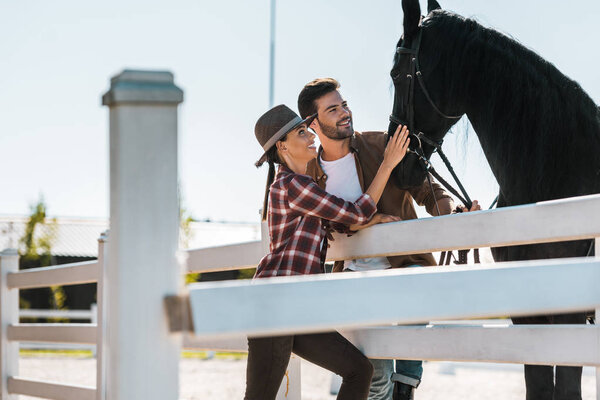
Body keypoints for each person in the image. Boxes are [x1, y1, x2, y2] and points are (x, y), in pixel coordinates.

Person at [298, 78, 481, 400]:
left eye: (344, 105)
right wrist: (363, 223)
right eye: (333, 109)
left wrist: (453, 212)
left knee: (415, 298)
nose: (344, 113)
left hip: (404, 265)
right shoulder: (310, 173)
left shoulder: (381, 144)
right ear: (313, 123)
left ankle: (408, 384)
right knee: (375, 377)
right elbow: (321, 224)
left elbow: (427, 189)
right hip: (353, 278)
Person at [245, 104, 411, 400]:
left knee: (359, 369)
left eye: (307, 129)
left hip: (297, 308)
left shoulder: (303, 187)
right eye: (300, 132)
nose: (310, 135)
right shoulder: (292, 185)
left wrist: (362, 221)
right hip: (274, 304)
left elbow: (343, 220)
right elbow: (355, 213)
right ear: (283, 146)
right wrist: (387, 165)